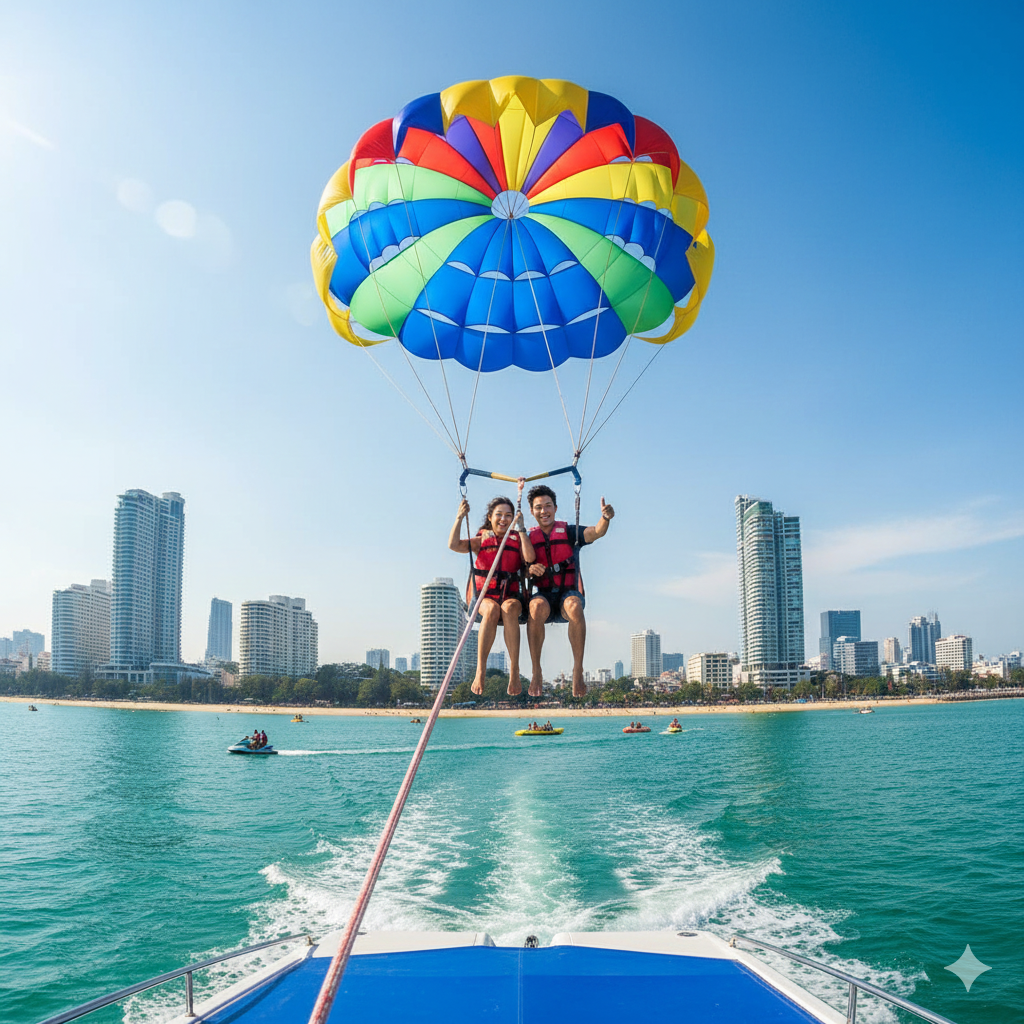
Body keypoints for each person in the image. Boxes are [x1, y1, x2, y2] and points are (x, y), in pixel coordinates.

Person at [525, 485, 614, 698]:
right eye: (539, 507)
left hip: (567, 595)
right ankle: (536, 669)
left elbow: (596, 532)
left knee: (574, 605)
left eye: (548, 506)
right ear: (532, 511)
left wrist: (605, 518)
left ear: (555, 508)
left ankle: (577, 669)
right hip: (544, 597)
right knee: (535, 606)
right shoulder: (527, 538)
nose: (544, 511)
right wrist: (529, 569)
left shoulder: (569, 531)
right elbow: (519, 568)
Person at [449, 494, 535, 696]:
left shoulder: (518, 538)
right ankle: (481, 669)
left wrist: (521, 529)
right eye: (499, 515)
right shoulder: (482, 539)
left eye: (508, 515)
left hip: (511, 597)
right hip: (484, 598)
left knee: (508, 608)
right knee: (492, 608)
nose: (503, 519)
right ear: (490, 516)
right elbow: (454, 545)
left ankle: (514, 669)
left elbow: (530, 559)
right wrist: (459, 517)